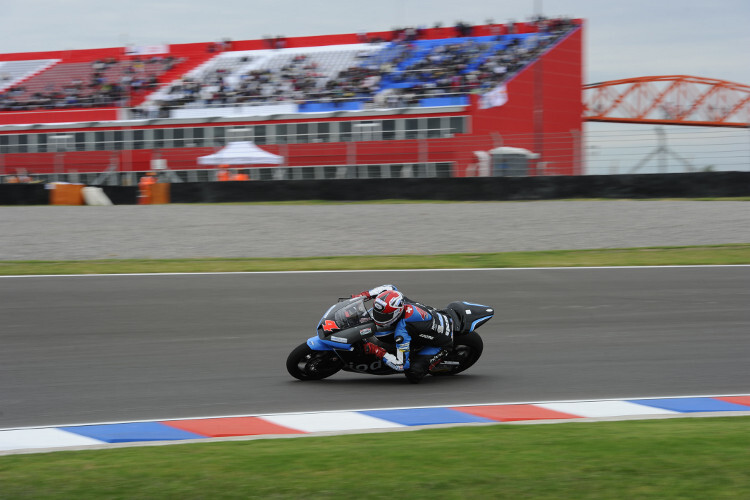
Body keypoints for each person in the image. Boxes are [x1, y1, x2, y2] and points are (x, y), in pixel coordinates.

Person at [351, 284, 455, 382]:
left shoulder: (402, 331)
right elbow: (389, 287)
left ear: (396, 313)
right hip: (437, 318)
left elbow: (401, 365)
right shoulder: (398, 299)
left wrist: (376, 350)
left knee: (413, 373)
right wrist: (362, 296)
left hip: (442, 343)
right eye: (377, 313)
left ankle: (431, 362)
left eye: (384, 316)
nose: (378, 317)